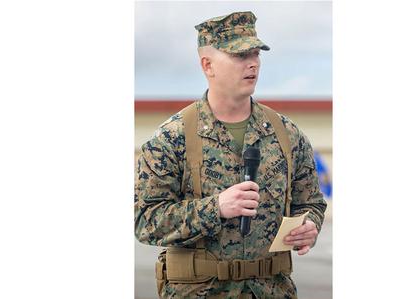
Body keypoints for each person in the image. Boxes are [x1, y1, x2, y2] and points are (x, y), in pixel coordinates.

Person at [135, 11, 327, 299]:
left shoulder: (287, 134)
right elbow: (145, 221)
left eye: (255, 54)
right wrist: (216, 208)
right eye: (239, 55)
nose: (252, 63)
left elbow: (311, 202)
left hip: (271, 290)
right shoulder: (172, 138)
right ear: (207, 65)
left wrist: (309, 225)